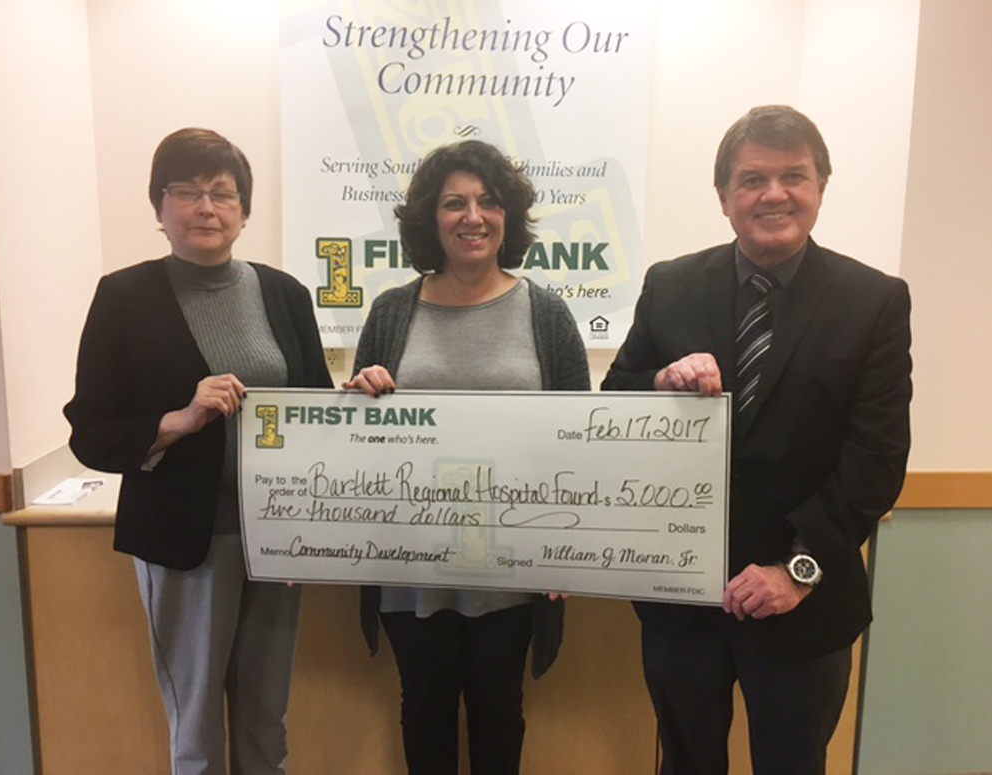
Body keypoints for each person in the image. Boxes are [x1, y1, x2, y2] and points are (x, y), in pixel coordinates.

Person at [602, 105, 912, 774]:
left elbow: (876, 459)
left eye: (792, 176)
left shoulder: (873, 301)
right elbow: (614, 406)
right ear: (723, 197)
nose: (773, 194)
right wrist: (660, 379)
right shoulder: (669, 285)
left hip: (805, 604)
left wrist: (795, 570)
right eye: (751, 179)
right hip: (681, 603)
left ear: (821, 187)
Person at [64, 128, 332, 775]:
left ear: (243, 210)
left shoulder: (283, 293)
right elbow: (90, 430)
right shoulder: (124, 296)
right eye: (185, 191)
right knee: (197, 724)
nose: (205, 206)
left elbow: (316, 405)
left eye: (222, 193)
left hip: (276, 539)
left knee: (267, 716)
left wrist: (358, 399)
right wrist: (177, 420)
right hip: (187, 541)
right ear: (159, 208)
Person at [343, 139, 590, 775]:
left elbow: (579, 442)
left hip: (511, 566)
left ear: (508, 218)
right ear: (430, 219)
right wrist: (360, 400)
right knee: (422, 709)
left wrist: (570, 552)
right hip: (412, 568)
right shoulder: (392, 312)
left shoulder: (547, 314)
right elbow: (357, 441)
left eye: (488, 202)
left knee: (498, 711)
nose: (472, 216)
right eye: (454, 203)